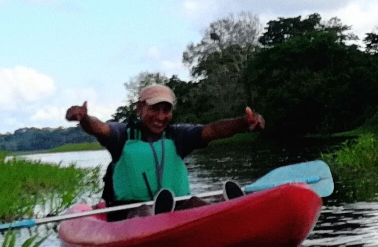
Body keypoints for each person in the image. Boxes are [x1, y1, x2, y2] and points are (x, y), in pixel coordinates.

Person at [64, 85, 264, 214]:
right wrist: (85, 119)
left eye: (166, 110)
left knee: (194, 202)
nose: (160, 116)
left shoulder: (177, 136)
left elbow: (212, 130)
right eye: (154, 109)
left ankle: (227, 209)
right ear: (140, 108)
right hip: (129, 210)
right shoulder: (122, 134)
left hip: (175, 205)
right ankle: (160, 214)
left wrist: (243, 123)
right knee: (143, 211)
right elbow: (100, 128)